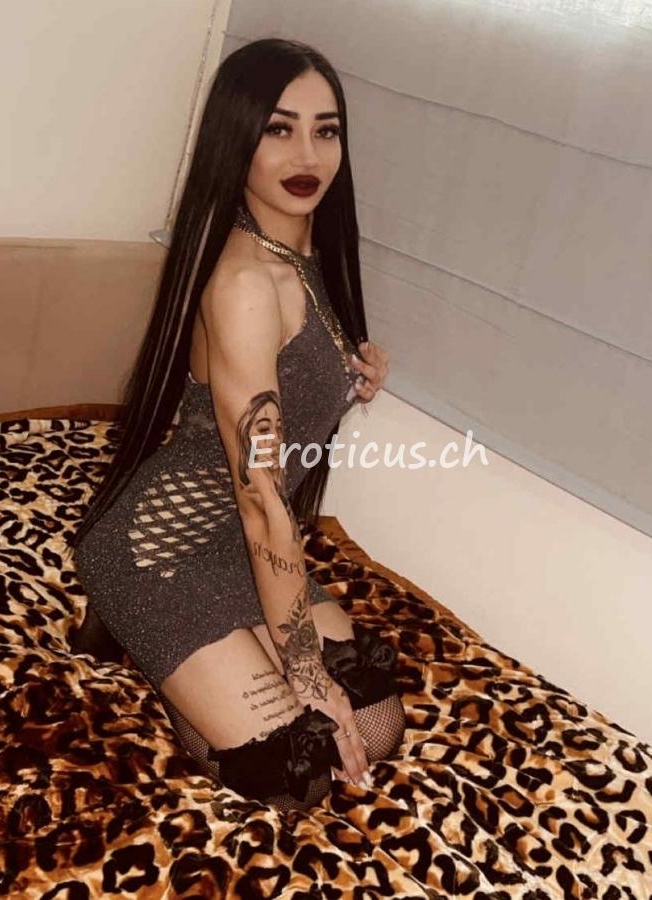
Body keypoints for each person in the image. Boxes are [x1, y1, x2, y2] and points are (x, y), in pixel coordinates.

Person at [69, 37, 406, 813]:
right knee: (298, 775)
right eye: (278, 128)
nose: (307, 154)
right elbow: (260, 497)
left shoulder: (303, 253)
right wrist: (305, 673)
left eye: (325, 130)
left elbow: (290, 380)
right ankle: (135, 631)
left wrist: (351, 372)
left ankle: (197, 658)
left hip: (237, 546)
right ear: (237, 138)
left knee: (377, 727)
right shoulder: (246, 283)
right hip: (157, 552)